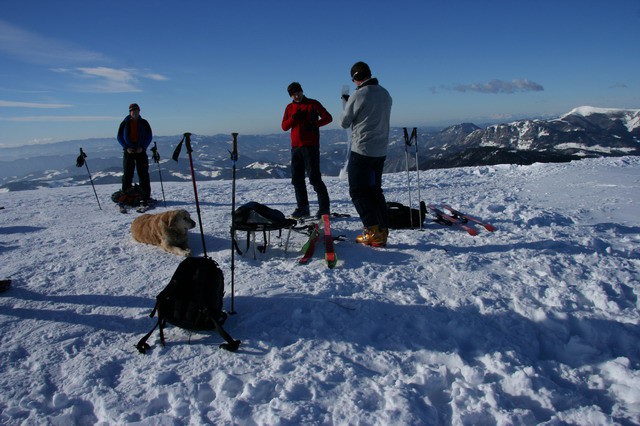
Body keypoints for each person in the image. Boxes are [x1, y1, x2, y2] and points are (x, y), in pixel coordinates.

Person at [339, 61, 393, 247]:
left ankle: (372, 230)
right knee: (375, 190)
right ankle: (382, 230)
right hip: (381, 150)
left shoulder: (359, 94)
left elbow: (345, 122)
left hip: (362, 150)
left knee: (358, 191)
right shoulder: (385, 93)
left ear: (355, 78)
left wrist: (346, 104)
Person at [281, 82, 333, 219]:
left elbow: (328, 118)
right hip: (296, 147)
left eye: (298, 92)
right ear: (290, 96)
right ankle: (303, 208)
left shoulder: (313, 104)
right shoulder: (289, 107)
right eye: (293, 94)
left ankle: (324, 208)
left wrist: (315, 124)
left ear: (302, 91)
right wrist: (293, 118)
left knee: (315, 178)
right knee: (297, 179)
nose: (296, 95)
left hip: (310, 146)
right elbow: (284, 126)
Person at [117, 103, 153, 205]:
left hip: (141, 151)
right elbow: (119, 137)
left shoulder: (144, 123)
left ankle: (145, 196)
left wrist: (143, 147)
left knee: (143, 174)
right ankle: (126, 196)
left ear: (139, 111)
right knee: (128, 174)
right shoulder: (124, 123)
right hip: (129, 152)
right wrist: (126, 147)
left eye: (137, 111)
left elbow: (149, 136)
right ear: (130, 112)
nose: (135, 113)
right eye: (133, 111)